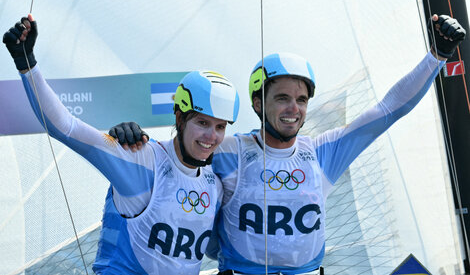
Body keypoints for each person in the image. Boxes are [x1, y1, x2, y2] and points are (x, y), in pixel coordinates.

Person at [109, 14, 466, 275]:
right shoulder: (229, 150)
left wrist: (437, 55)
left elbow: (389, 109)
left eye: (301, 99)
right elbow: (174, 156)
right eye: (281, 98)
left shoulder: (324, 151)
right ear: (258, 103)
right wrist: (129, 137)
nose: (293, 109)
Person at [3, 14, 240, 275]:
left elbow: (216, 249)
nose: (212, 137)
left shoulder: (214, 185)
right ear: (179, 117)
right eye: (203, 123)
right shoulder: (140, 159)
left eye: (220, 127)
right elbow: (65, 126)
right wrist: (27, 63)